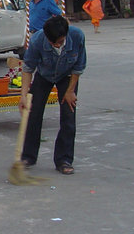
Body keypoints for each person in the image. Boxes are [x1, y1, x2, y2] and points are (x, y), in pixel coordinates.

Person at [20, 15, 87, 175]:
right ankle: (28, 156)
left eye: (60, 42)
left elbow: (78, 67)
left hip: (68, 77)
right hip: (44, 76)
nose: (57, 45)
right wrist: (24, 95)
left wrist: (70, 91)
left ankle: (64, 159)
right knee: (33, 114)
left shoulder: (77, 37)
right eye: (53, 43)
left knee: (68, 116)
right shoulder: (37, 41)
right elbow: (28, 68)